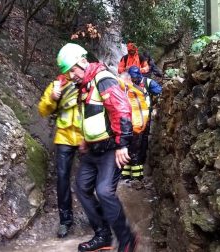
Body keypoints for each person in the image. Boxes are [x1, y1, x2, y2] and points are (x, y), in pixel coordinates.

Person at [57, 43, 138, 252]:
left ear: (83, 62)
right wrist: (84, 138)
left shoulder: (103, 79)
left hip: (111, 147)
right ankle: (102, 235)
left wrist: (122, 145)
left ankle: (127, 239)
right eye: (67, 73)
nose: (70, 76)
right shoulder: (84, 85)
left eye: (72, 70)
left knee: (104, 191)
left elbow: (121, 110)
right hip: (93, 148)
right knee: (82, 187)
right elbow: (89, 115)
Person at [38, 74, 83, 238]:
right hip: (64, 136)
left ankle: (98, 214)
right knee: (62, 178)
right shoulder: (58, 84)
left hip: (86, 136)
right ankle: (65, 220)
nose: (72, 72)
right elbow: (43, 109)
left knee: (91, 177)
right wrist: (52, 97)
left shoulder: (87, 82)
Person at [121, 65, 162, 181]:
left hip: (145, 117)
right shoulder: (126, 84)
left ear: (139, 75)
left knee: (142, 141)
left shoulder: (147, 82)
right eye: (132, 78)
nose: (134, 80)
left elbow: (159, 91)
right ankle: (130, 170)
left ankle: (140, 161)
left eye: (135, 78)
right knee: (131, 143)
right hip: (130, 119)